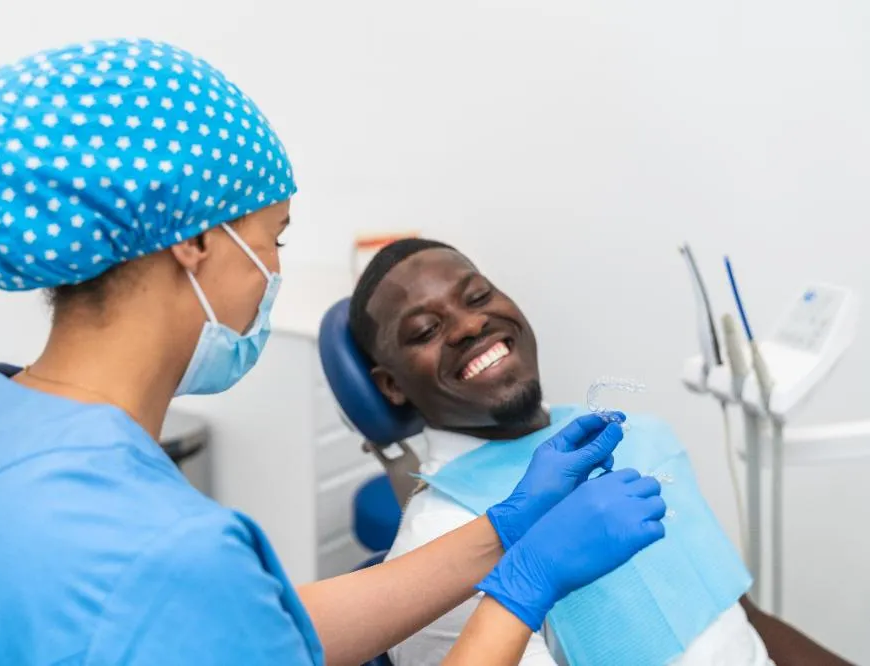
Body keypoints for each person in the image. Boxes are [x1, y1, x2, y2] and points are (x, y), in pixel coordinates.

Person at [0, 39, 668, 666]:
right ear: (193, 240)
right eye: (271, 238)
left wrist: (504, 530)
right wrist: (521, 594)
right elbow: (196, 601)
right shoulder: (166, 552)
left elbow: (260, 629)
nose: (274, 272)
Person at [347, 237, 854, 666]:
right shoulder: (437, 549)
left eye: (477, 295)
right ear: (391, 385)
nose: (468, 326)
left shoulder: (637, 435)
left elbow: (738, 616)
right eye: (425, 331)